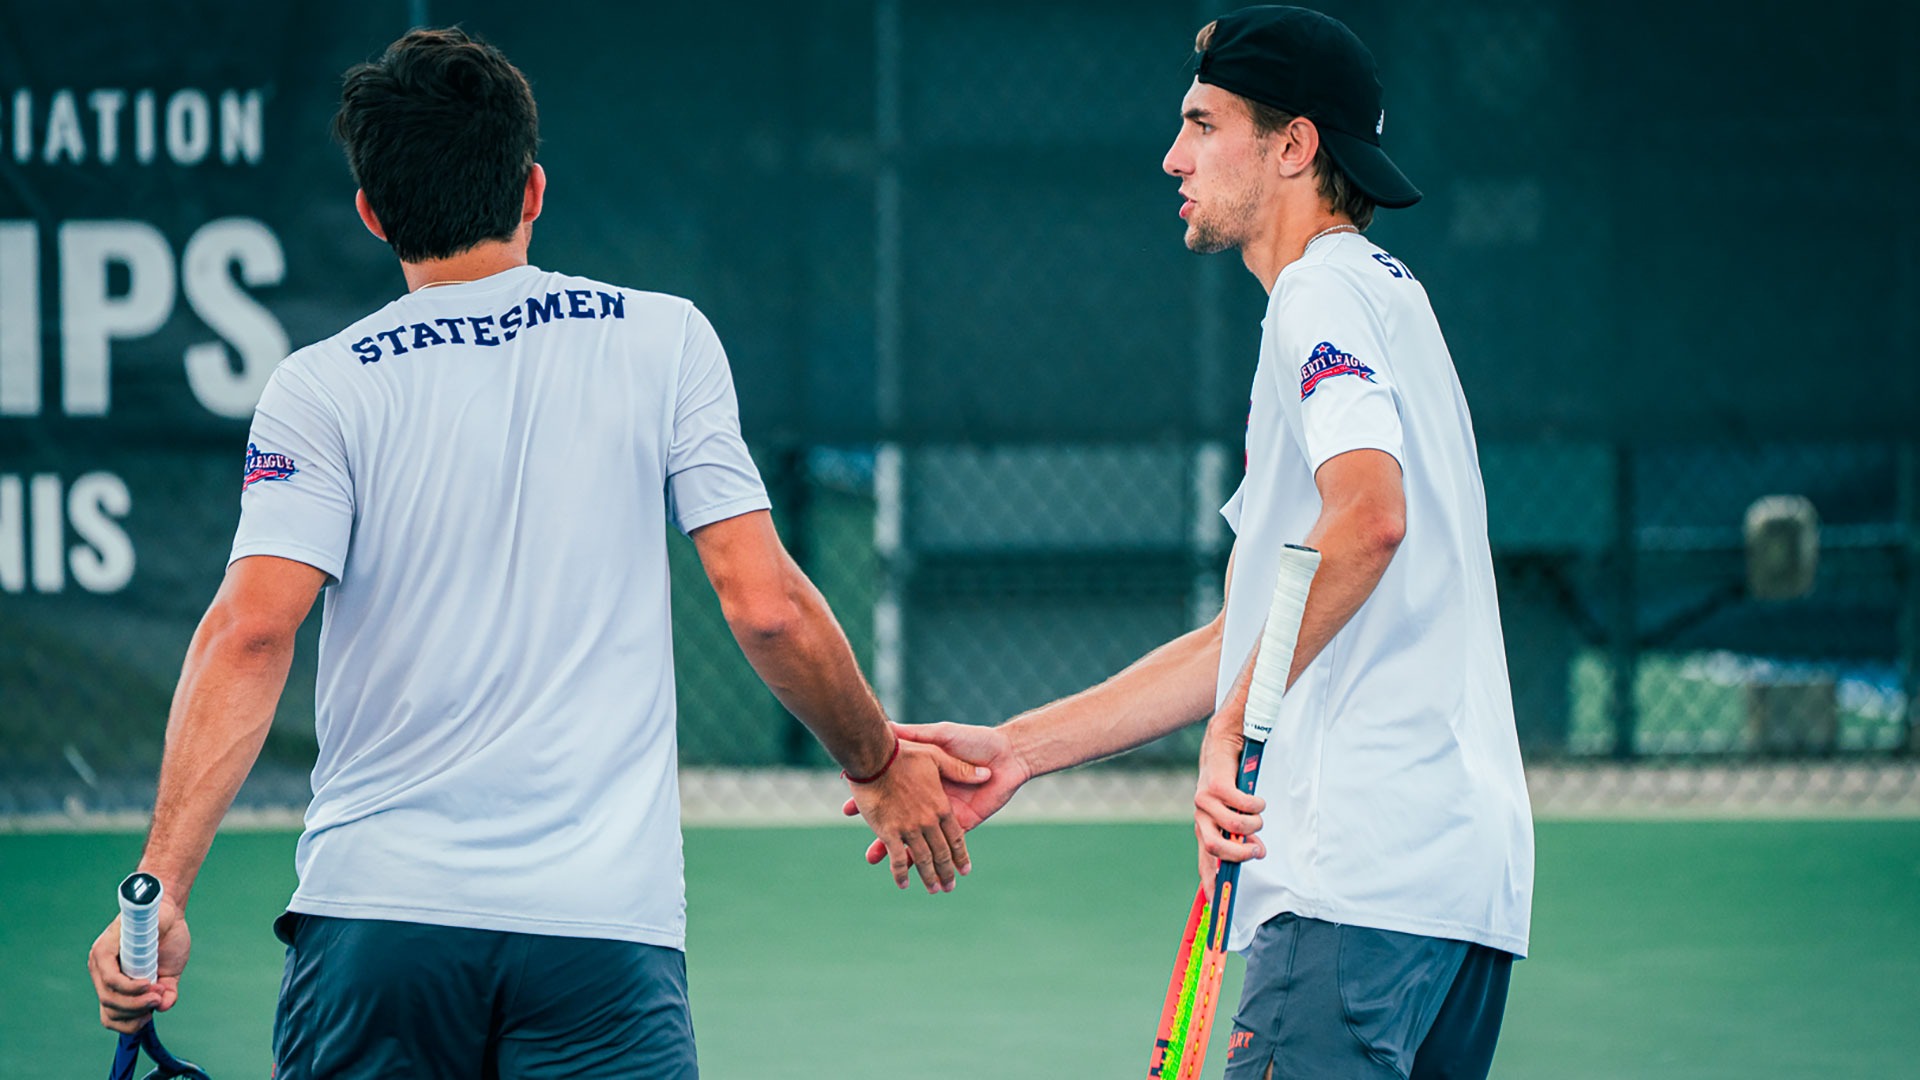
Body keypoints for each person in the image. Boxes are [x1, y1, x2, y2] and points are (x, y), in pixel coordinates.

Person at [87, 27, 972, 1079]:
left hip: (375, 925)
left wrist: (164, 891)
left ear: (373, 213)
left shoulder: (318, 387)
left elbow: (248, 634)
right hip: (602, 936)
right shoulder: (665, 339)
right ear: (534, 188)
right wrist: (876, 762)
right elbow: (766, 606)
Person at [861, 7, 1534, 1078]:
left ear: (1294, 146)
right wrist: (1023, 747)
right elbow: (1255, 628)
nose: (1174, 156)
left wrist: (1233, 727)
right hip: (1458, 899)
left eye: (1203, 123)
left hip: (1344, 886)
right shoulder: (1387, 299)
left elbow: (1370, 517)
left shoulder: (1317, 291)